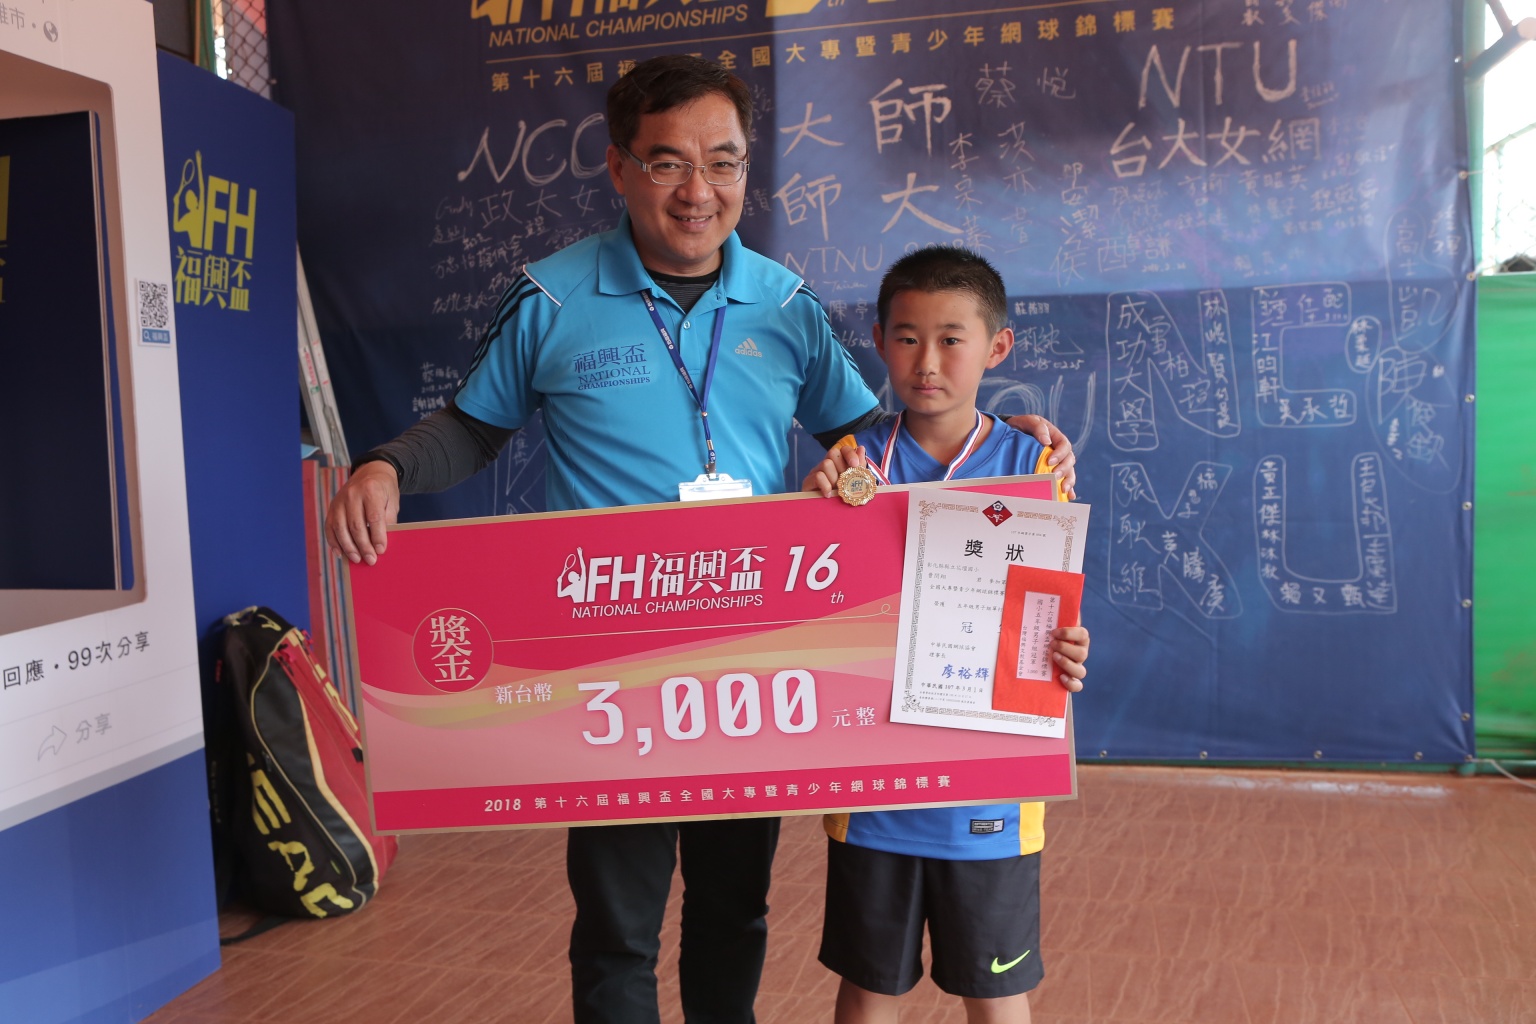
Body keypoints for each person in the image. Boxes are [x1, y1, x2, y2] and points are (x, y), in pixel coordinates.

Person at [325, 55, 1077, 1024]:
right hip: (606, 663)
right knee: (617, 925)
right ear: (619, 166)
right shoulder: (551, 297)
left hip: (752, 657)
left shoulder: (785, 304)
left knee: (732, 908)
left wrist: (1008, 442)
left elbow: (875, 441)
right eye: (669, 163)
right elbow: (473, 427)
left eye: (723, 163)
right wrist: (388, 466)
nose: (699, 191)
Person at [803, 247, 1091, 1024]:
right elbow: (816, 606)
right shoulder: (852, 466)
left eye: (951, 339)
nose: (926, 361)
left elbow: (1050, 613)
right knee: (869, 989)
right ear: (878, 340)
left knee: (996, 992)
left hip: (991, 790)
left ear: (998, 347)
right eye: (906, 338)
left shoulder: (1035, 465)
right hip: (873, 788)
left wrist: (1068, 647)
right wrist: (810, 512)